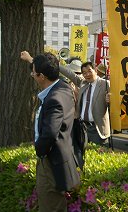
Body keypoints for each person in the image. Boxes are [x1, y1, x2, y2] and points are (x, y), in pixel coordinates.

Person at [29, 53, 80, 212]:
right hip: (61, 159)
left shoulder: (54, 98)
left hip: (51, 162)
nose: (32, 75)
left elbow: (50, 133)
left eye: (33, 72)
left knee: (50, 206)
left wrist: (39, 149)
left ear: (41, 76)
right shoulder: (63, 88)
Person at [59, 61, 111, 145]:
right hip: (82, 127)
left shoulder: (105, 84)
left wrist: (110, 101)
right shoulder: (83, 83)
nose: (87, 75)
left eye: (89, 71)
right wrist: (56, 65)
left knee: (96, 154)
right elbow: (70, 74)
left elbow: (115, 105)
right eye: (84, 73)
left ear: (95, 70)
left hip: (97, 129)